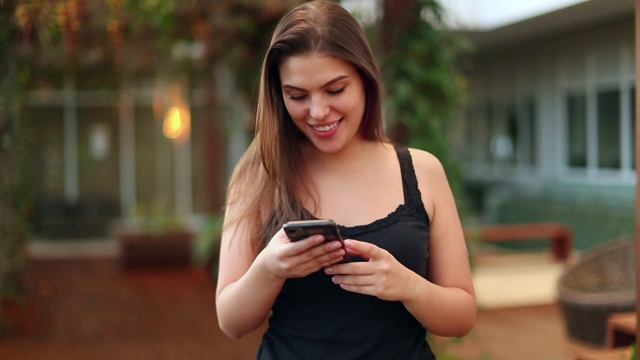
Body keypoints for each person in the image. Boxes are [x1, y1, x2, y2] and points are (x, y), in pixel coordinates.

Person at [215, 1, 476, 359]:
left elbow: (461, 316)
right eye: (297, 96)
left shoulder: (422, 172)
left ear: (366, 81)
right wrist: (269, 268)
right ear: (278, 95)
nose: (318, 112)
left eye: (335, 90)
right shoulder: (259, 176)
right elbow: (231, 322)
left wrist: (408, 287)